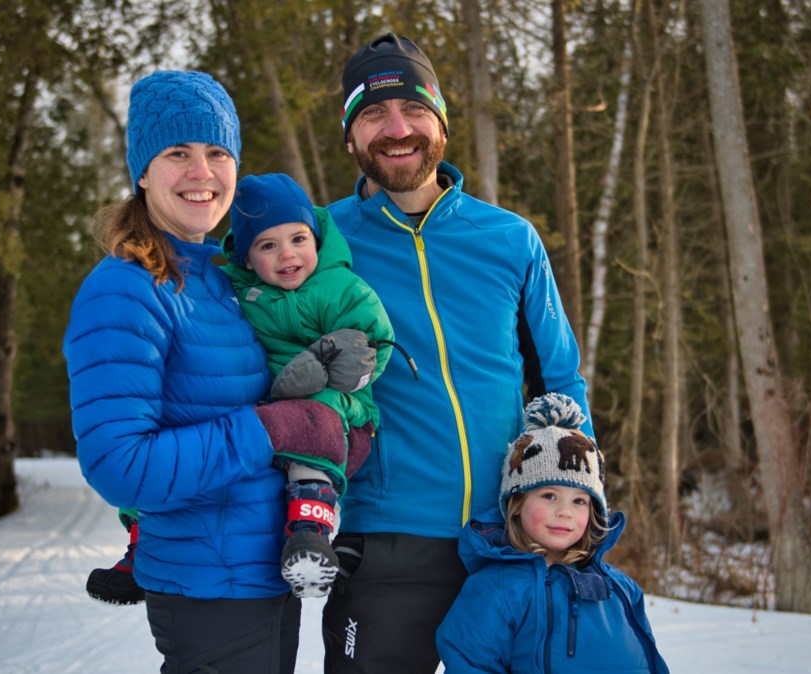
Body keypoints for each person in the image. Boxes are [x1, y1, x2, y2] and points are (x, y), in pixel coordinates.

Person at [321, 34, 596, 673]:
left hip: (513, 540)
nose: (396, 129)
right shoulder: (321, 243)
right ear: (350, 137)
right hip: (387, 541)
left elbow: (560, 380)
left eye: (413, 109)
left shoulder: (508, 239)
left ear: (440, 123)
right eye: (372, 115)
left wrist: (572, 509)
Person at [64, 69, 348, 674]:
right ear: (142, 172)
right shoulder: (126, 288)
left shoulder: (225, 281)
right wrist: (271, 430)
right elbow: (121, 466)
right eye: (178, 153)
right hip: (207, 587)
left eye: (217, 152)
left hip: (265, 573)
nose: (202, 171)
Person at [221, 172, 396, 597]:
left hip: (342, 416)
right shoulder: (242, 298)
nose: (288, 255)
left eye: (298, 239)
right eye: (268, 245)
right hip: (272, 412)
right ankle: (140, 539)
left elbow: (375, 344)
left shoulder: (337, 287)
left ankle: (312, 531)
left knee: (311, 419)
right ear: (246, 259)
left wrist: (325, 364)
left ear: (316, 239)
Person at [435, 393, 670, 673]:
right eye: (549, 495)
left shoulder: (621, 587)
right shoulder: (498, 588)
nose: (565, 512)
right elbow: (471, 663)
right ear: (517, 504)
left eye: (579, 501)